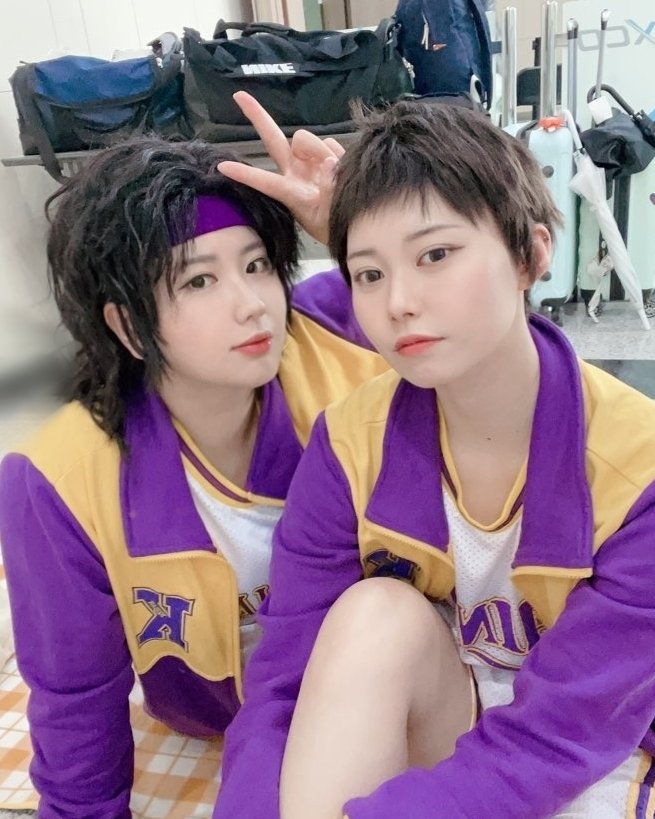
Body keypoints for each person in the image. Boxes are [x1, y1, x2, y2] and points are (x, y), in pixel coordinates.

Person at [214, 96, 655, 819]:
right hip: (440, 728)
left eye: (435, 255)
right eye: (368, 274)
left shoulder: (637, 468)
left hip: (586, 754)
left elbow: (564, 734)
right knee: (373, 614)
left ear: (531, 254)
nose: (399, 302)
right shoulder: (348, 442)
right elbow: (285, 681)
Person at [0, 135, 387, 818]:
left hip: (387, 686)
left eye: (258, 265)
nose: (253, 305)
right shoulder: (56, 476)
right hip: (217, 723)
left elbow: (494, 352)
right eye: (198, 280)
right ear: (128, 326)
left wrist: (363, 231)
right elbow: (75, 692)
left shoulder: (343, 333)